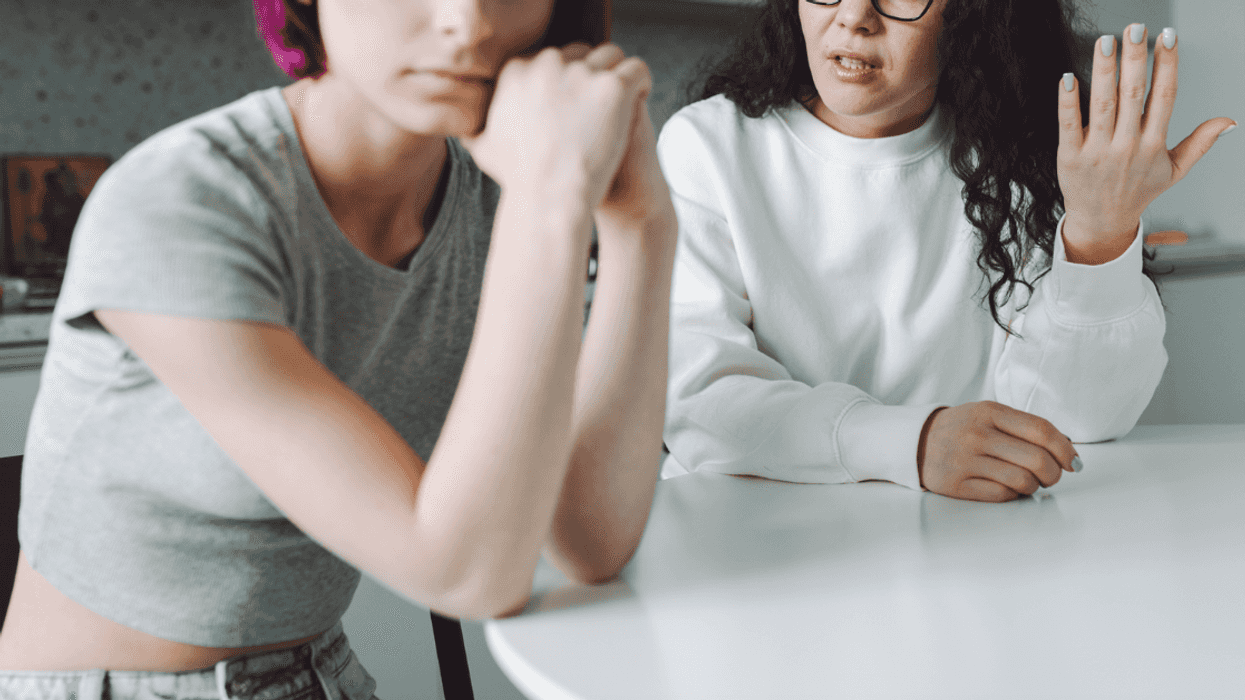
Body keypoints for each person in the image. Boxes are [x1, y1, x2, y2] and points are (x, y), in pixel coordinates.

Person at [0, 0, 676, 696]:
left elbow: (589, 542)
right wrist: (552, 199)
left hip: (323, 674)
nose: (467, 24)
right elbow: (467, 577)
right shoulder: (180, 203)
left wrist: (642, 221)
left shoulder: (495, 199)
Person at [658, 0, 1236, 502]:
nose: (854, 17)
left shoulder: (1025, 153)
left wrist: (1100, 237)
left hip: (962, 550)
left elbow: (1073, 425)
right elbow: (700, 398)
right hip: (749, 549)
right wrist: (915, 442)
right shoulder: (707, 147)